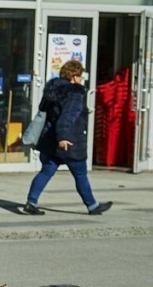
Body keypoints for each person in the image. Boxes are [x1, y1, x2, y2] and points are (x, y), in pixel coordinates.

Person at [23, 60, 112, 216]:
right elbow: (68, 117)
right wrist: (63, 137)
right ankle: (92, 206)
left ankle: (31, 202)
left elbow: (42, 109)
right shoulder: (75, 93)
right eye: (81, 76)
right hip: (69, 139)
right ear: (75, 76)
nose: (82, 79)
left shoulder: (53, 89)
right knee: (80, 173)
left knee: (46, 171)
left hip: (51, 139)